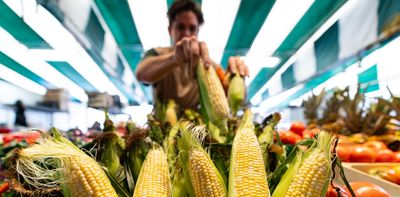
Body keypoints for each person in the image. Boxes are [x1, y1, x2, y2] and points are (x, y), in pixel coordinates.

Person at [136, 0, 249, 109]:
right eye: (180, 27)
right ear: (170, 30)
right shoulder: (157, 54)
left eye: (192, 28)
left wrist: (236, 77)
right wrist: (174, 58)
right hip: (162, 126)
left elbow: (235, 96)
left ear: (197, 32)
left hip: (194, 126)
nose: (186, 34)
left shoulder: (208, 64)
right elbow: (141, 74)